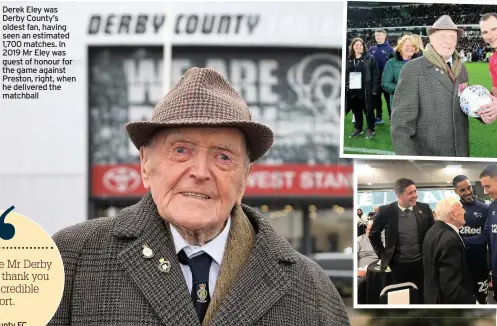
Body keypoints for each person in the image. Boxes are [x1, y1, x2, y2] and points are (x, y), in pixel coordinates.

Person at [48, 68, 350, 325]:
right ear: (144, 164)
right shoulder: (70, 259)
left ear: (244, 176)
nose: (201, 172)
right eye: (181, 150)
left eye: (223, 157)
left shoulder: (311, 287)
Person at [391, 15, 473, 157]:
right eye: (442, 36)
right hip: (429, 154)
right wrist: (410, 164)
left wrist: (481, 112)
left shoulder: (461, 68)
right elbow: (401, 127)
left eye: (453, 37)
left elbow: (465, 102)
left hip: (461, 152)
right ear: (431, 38)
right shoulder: (412, 69)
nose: (448, 41)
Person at [369, 178, 434, 303]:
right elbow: (373, 234)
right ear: (399, 195)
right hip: (398, 265)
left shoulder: (424, 209)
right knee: (402, 299)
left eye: (415, 191)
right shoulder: (386, 211)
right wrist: (383, 255)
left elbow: (432, 233)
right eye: (410, 193)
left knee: (422, 297)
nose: (415, 195)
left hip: (421, 264)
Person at [423, 197, 476, 304]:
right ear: (453, 215)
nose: (464, 211)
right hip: (448, 303)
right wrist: (471, 302)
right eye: (461, 208)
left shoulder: (432, 231)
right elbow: (451, 286)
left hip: (432, 297)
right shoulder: (450, 240)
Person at [453, 175, 489, 304]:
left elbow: (486, 236)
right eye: (462, 190)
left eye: (469, 188)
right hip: (461, 265)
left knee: (483, 300)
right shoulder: (453, 209)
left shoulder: (484, 209)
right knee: (465, 301)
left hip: (480, 264)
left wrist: (462, 241)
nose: (467, 192)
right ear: (455, 191)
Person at [463, 164, 497, 303]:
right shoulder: (493, 207)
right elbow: (485, 236)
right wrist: (459, 240)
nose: (485, 191)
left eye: (487, 186)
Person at [345, 37, 380, 140]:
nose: (358, 47)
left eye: (360, 45)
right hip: (352, 90)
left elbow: (375, 74)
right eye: (356, 45)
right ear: (352, 47)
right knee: (356, 111)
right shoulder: (348, 58)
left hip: (366, 89)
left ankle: (370, 129)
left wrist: (375, 89)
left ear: (364, 46)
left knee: (368, 110)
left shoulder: (370, 58)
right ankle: (358, 128)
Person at [382, 35, 421, 110]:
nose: (410, 48)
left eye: (412, 46)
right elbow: (385, 83)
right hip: (399, 103)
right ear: (400, 47)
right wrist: (402, 90)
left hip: (417, 103)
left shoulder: (419, 63)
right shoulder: (391, 63)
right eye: (407, 45)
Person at [368, 29, 394, 123]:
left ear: (384, 36)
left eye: (379, 35)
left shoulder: (390, 50)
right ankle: (379, 117)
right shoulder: (371, 50)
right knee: (377, 100)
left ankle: (392, 117)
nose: (377, 37)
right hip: (375, 81)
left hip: (387, 80)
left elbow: (393, 65)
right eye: (376, 35)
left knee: (389, 100)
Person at [357, 221, 383, 303]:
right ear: (365, 230)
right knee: (359, 281)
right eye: (368, 229)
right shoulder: (359, 240)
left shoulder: (384, 239)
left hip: (379, 269)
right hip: (362, 271)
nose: (370, 232)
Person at [478, 13, 497, 124]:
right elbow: (495, 89)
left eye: (494, 29)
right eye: (485, 32)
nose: (490, 35)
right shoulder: (493, 60)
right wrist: (489, 111)